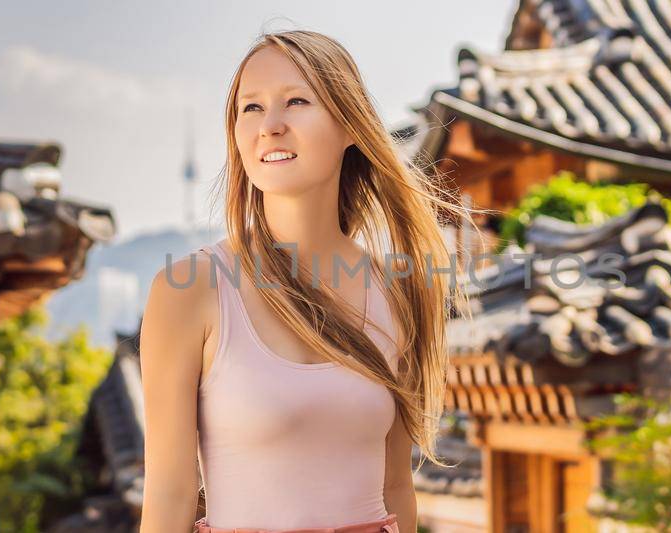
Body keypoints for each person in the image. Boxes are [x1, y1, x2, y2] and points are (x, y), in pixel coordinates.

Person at [137, 30, 478, 533]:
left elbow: (395, 487)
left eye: (296, 101)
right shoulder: (190, 288)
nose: (269, 126)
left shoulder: (402, 289)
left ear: (349, 126)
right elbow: (169, 493)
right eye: (250, 108)